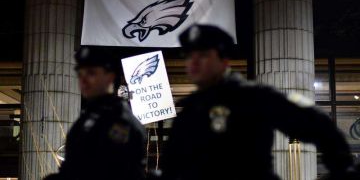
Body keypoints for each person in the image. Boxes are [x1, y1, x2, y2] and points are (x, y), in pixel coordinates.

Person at [161, 25, 354, 180]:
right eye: (188, 55)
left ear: (224, 60)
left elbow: (318, 123)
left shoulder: (253, 96)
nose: (193, 62)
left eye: (202, 54)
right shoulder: (190, 109)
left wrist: (342, 168)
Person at [44, 47, 146, 180]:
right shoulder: (87, 118)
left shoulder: (121, 121)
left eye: (91, 73)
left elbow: (110, 170)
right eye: (80, 74)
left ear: (110, 76)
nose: (83, 80)